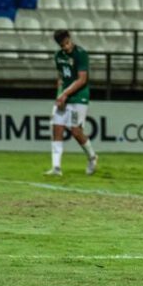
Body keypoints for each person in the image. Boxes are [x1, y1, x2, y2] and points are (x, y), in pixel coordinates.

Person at [47, 29, 98, 176]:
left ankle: (92, 157)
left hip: (79, 97)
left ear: (70, 39)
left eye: (67, 43)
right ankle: (56, 167)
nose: (66, 47)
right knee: (57, 128)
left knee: (75, 130)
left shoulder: (81, 54)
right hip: (64, 96)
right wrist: (59, 96)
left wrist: (64, 94)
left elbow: (82, 80)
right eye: (63, 45)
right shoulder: (58, 56)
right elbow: (61, 78)